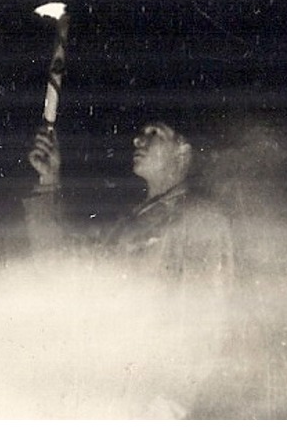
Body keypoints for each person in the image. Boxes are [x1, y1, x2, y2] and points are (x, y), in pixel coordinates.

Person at [22, 114, 236, 416]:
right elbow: (61, 269)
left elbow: (208, 318)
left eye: (155, 133)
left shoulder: (201, 219)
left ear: (182, 151)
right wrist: (48, 179)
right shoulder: (127, 225)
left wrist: (173, 401)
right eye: (140, 133)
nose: (138, 139)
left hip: (149, 399)